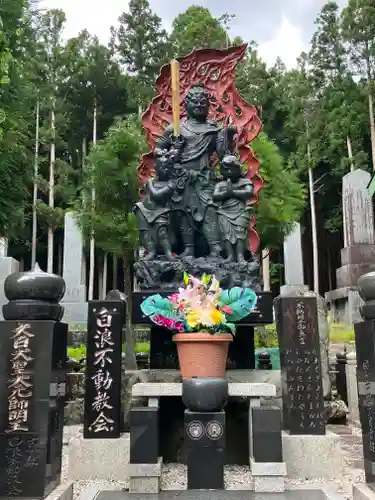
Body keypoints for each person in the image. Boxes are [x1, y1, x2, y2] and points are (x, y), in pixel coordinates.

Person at [154, 83, 237, 259]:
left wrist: (227, 135)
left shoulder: (213, 129)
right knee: (183, 214)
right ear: (186, 105)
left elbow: (223, 155)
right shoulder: (176, 128)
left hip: (204, 178)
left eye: (203, 103)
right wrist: (172, 151)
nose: (199, 106)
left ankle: (215, 249)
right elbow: (158, 150)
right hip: (181, 178)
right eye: (195, 102)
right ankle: (188, 249)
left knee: (209, 212)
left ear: (208, 106)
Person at [134, 153, 176, 261]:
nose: (165, 169)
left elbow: (156, 196)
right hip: (144, 209)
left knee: (162, 232)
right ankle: (151, 251)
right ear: (156, 168)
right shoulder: (151, 181)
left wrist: (150, 184)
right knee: (144, 231)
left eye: (167, 167)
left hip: (160, 211)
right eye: (162, 167)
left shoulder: (171, 184)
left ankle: (168, 252)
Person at [213, 155, 253, 263]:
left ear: (238, 169)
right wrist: (226, 193)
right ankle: (230, 255)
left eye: (232, 169)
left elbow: (249, 193)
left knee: (240, 234)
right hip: (224, 211)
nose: (229, 171)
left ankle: (240, 256)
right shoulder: (220, 184)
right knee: (226, 234)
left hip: (240, 211)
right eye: (226, 169)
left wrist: (233, 192)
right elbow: (215, 197)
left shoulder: (245, 182)